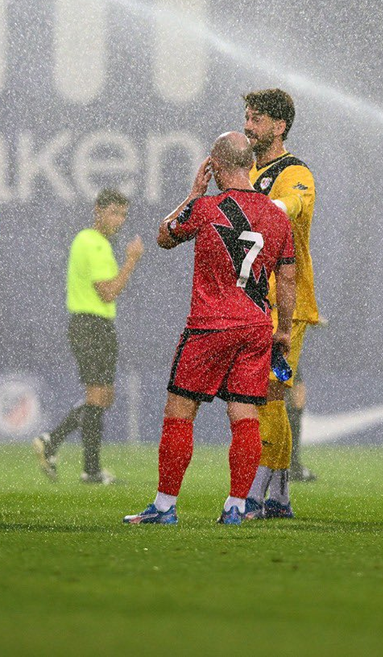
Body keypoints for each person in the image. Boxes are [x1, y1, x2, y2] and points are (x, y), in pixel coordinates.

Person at [124, 132, 295, 525]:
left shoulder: (206, 208)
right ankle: (235, 506)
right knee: (246, 415)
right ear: (251, 164)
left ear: (214, 167)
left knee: (181, 411)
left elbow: (164, 236)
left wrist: (192, 193)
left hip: (209, 326)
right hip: (255, 327)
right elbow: (287, 281)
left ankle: (165, 506)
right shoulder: (276, 215)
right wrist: (282, 330)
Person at [240, 88, 319, 519]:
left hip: (286, 303)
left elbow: (295, 205)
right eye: (247, 117)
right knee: (268, 397)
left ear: (279, 125)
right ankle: (280, 495)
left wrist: (250, 206)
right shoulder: (248, 172)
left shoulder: (294, 170)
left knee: (266, 393)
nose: (249, 125)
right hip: (252, 302)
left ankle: (255, 492)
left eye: (257, 119)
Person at [33, 188, 143, 485]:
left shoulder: (99, 243)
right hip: (90, 325)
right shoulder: (92, 242)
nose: (118, 220)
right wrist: (132, 261)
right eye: (113, 212)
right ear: (98, 210)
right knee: (97, 397)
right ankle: (85, 466)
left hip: (98, 325)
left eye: (123, 215)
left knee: (103, 398)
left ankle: (60, 447)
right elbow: (107, 292)